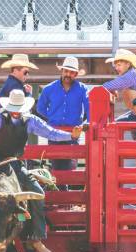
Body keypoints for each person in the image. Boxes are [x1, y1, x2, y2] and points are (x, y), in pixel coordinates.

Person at [0, 90, 81, 252]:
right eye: (13, 107)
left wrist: (70, 136)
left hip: (15, 163)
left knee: (37, 191)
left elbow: (49, 132)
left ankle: (36, 236)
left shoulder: (29, 119)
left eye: (18, 108)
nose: (16, 111)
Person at [36, 56, 89, 185]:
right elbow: (40, 108)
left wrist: (84, 124)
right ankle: (59, 199)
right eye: (66, 71)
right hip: (54, 133)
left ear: (76, 74)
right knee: (56, 167)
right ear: (62, 71)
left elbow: (89, 109)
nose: (68, 74)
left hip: (73, 133)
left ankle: (66, 201)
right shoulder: (49, 89)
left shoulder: (82, 89)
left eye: (71, 72)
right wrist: (52, 118)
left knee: (70, 168)